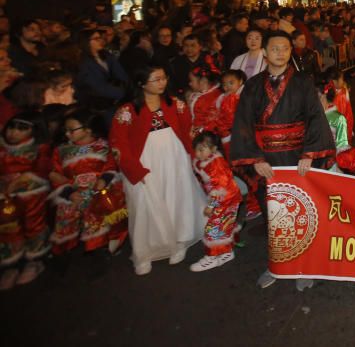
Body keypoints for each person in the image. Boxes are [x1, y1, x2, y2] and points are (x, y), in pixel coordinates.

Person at [229, 31, 334, 291]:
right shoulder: (253, 86)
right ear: (264, 52)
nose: (280, 52)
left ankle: (305, 265)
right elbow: (242, 124)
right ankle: (278, 265)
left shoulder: (302, 82)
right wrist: (255, 159)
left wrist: (309, 154)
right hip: (267, 161)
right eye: (274, 48)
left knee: (302, 211)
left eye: (285, 48)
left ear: (290, 52)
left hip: (297, 159)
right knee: (273, 214)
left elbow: (315, 118)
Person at [109, 65, 206, 276]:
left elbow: (187, 130)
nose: (162, 82)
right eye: (156, 79)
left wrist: (194, 156)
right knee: (145, 203)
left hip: (175, 157)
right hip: (144, 160)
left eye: (163, 78)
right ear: (142, 84)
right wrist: (133, 169)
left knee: (175, 197)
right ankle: (145, 251)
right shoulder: (127, 111)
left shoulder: (176, 104)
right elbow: (119, 143)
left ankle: (180, 239)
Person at [49, 109, 127, 258]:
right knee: (67, 217)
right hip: (73, 193)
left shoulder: (104, 147)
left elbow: (111, 166)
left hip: (98, 193)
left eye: (71, 130)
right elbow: (55, 173)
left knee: (99, 216)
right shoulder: (61, 150)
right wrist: (68, 192)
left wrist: (104, 180)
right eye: (65, 130)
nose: (67, 133)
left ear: (89, 129)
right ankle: (67, 247)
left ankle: (100, 244)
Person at [0, 111, 51, 289]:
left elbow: (43, 169)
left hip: (31, 196)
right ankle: (11, 264)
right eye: (11, 127)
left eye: (22, 128)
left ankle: (34, 260)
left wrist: (22, 179)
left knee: (33, 226)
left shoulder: (39, 148)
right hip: (5, 197)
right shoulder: (2, 147)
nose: (13, 132)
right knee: (8, 228)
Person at [189, 131, 241, 272]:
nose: (198, 153)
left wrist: (212, 205)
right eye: (196, 150)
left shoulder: (216, 164)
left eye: (201, 149)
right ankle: (226, 253)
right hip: (227, 198)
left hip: (225, 200)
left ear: (213, 149)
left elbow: (220, 187)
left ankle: (211, 257)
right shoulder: (207, 160)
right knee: (223, 226)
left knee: (213, 228)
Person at [75, 28, 129, 112]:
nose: (101, 41)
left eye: (100, 38)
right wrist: (124, 93)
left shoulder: (107, 55)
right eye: (96, 39)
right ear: (86, 42)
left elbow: (121, 74)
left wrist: (129, 88)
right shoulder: (83, 62)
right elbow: (96, 87)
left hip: (113, 95)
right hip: (96, 102)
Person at [188, 60, 223, 137]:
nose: (189, 83)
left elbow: (212, 121)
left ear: (203, 81)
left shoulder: (210, 98)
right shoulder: (201, 95)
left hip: (207, 137)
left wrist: (198, 131)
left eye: (191, 81)